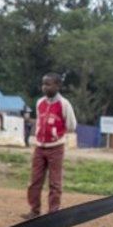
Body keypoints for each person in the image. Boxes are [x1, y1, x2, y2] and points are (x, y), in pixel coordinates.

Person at [23, 72, 77, 218]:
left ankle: (53, 212)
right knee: (35, 180)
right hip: (40, 146)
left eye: (48, 84)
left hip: (56, 147)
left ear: (58, 86)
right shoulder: (40, 102)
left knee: (54, 182)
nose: (44, 87)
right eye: (43, 84)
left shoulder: (64, 104)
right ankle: (34, 210)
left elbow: (71, 125)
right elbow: (40, 122)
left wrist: (57, 133)